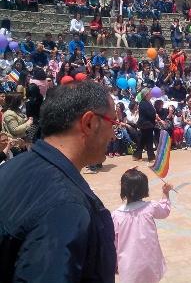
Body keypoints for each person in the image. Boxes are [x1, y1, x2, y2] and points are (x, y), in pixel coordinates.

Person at [0, 81, 116, 281]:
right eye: (112, 122)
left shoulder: (11, 168)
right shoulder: (67, 207)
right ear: (89, 123)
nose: (114, 135)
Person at [112, 168, 172, 283]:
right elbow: (164, 210)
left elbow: (113, 243)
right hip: (151, 262)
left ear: (123, 190)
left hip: (129, 266)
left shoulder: (116, 216)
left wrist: (113, 264)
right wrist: (165, 192)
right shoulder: (150, 207)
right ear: (145, 190)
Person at [133, 87, 156, 162]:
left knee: (143, 141)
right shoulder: (143, 103)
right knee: (149, 140)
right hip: (145, 124)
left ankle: (137, 155)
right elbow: (150, 113)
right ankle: (151, 157)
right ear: (146, 95)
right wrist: (155, 115)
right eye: (150, 93)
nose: (151, 95)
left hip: (148, 124)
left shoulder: (147, 102)